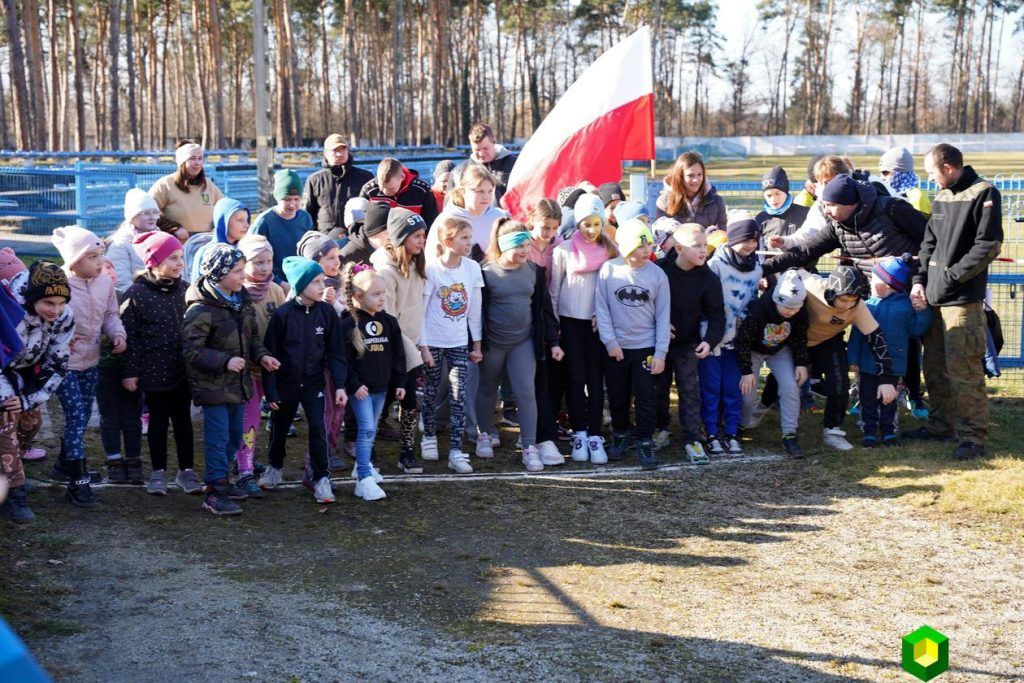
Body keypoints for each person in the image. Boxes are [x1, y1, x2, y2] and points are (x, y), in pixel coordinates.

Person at [906, 144, 1003, 460]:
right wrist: (919, 281)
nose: (930, 179)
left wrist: (950, 278)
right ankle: (940, 426)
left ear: (947, 167)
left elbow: (988, 245)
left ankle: (972, 436)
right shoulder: (941, 197)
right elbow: (927, 245)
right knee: (934, 367)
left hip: (961, 301)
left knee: (964, 370)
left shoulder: (984, 193)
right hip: (932, 299)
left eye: (932, 172)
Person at [183, 244, 279, 516]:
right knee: (218, 437)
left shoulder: (241, 300)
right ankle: (214, 491)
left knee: (235, 435)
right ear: (220, 273)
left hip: (239, 384)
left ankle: (223, 479)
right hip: (213, 387)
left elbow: (252, 338)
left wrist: (261, 356)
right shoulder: (201, 309)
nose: (242, 276)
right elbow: (191, 350)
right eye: (237, 271)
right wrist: (224, 361)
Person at [476, 219, 562, 471]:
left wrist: (553, 340)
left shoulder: (535, 270)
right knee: (488, 388)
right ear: (503, 246)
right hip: (494, 343)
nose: (525, 251)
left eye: (527, 244)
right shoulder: (486, 273)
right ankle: (485, 433)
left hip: (522, 342)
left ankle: (529, 445)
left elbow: (545, 309)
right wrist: (478, 344)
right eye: (520, 246)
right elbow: (478, 312)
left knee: (526, 391)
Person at [258, 257, 347, 504]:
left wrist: (339, 385)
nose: (322, 286)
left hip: (314, 384)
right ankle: (274, 467)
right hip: (286, 384)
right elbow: (270, 354)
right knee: (280, 427)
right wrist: (271, 391)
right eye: (316, 282)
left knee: (319, 428)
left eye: (322, 281)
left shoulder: (327, 313)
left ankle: (320, 478)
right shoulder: (282, 315)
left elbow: (336, 353)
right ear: (300, 285)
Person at [121, 231, 200, 495]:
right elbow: (130, 337)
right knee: (157, 422)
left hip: (182, 370)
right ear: (154, 262)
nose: (180, 263)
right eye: (173, 258)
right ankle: (158, 471)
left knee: (183, 421)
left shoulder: (186, 289)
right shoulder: (137, 294)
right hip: (154, 371)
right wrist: (131, 372)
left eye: (181, 257)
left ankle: (186, 470)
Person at [51, 227, 126, 507]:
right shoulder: (60, 284)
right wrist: (60, 341)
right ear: (74, 260)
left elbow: (110, 314)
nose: (99, 262)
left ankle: (64, 464)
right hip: (65, 364)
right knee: (75, 417)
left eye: (100, 255)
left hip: (91, 360)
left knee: (81, 416)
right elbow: (47, 317)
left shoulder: (104, 283)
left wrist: (118, 334)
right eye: (92, 256)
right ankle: (77, 483)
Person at [0, 262, 75, 522]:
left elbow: (58, 363)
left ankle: (10, 475)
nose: (55, 310)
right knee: (5, 426)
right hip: (2, 375)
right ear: (32, 299)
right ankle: (14, 495)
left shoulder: (64, 318)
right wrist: (7, 397)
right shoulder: (7, 312)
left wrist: (27, 398)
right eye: (48, 303)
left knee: (31, 423)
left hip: (27, 375)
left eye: (60, 302)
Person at [595, 219, 671, 470]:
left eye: (648, 244)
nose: (646, 249)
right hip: (616, 348)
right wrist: (610, 342)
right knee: (617, 394)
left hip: (646, 348)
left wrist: (660, 352)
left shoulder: (657, 274)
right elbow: (602, 309)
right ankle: (620, 433)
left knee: (646, 395)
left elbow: (663, 316)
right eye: (640, 245)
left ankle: (645, 439)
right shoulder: (609, 270)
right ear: (627, 247)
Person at [549, 194, 618, 464]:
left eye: (596, 224)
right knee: (576, 380)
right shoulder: (563, 251)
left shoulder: (611, 250)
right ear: (578, 223)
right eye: (586, 224)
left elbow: (613, 289)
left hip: (598, 324)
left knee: (595, 380)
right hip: (570, 323)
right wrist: (555, 327)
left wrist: (604, 316)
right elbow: (554, 291)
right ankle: (578, 432)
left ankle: (594, 433)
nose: (591, 230)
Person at [799, 267, 898, 450]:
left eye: (853, 300)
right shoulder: (812, 287)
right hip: (796, 341)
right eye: (844, 299)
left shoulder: (858, 308)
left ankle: (832, 430)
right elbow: (794, 271)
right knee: (782, 383)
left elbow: (878, 341)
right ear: (831, 292)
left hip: (828, 340)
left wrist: (885, 379)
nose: (847, 306)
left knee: (840, 383)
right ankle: (755, 414)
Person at [763, 174, 927, 278]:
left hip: (912, 289)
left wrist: (919, 279)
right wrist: (761, 270)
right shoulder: (837, 226)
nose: (826, 211)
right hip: (872, 295)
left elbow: (929, 241)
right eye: (824, 205)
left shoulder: (891, 209)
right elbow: (804, 252)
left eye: (831, 205)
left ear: (849, 203)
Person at [655, 223, 725, 463]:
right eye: (697, 246)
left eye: (705, 245)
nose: (703, 250)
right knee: (657, 388)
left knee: (689, 391)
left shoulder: (709, 278)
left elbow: (717, 315)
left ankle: (693, 439)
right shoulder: (658, 270)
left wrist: (709, 341)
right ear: (679, 248)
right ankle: (659, 430)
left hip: (689, 345)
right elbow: (644, 304)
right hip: (658, 344)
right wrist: (659, 324)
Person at [419, 216, 484, 474]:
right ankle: (429, 434)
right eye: (464, 238)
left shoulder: (472, 268)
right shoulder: (432, 269)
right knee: (432, 389)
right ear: (448, 241)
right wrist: (423, 347)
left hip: (459, 342)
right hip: (433, 341)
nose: (470, 243)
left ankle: (456, 450)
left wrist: (476, 344)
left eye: (470, 237)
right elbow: (422, 312)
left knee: (459, 393)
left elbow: (474, 310)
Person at [848, 255, 932, 447]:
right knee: (867, 398)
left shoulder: (906, 307)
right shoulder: (867, 305)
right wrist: (852, 357)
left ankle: (888, 431)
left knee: (889, 399)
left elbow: (917, 329)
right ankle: (869, 431)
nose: (870, 281)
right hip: (867, 364)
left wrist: (924, 311)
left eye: (874, 278)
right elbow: (856, 334)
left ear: (887, 284)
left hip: (893, 365)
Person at [370, 208, 430, 474]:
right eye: (416, 236)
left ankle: (407, 451)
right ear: (399, 238)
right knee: (381, 400)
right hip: (390, 348)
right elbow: (389, 319)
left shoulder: (417, 265)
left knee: (410, 403)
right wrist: (410, 352)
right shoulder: (386, 272)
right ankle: (366, 448)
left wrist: (423, 345)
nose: (421, 240)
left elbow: (418, 311)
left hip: (412, 347)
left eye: (423, 235)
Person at [339, 263, 405, 499]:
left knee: (373, 427)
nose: (381, 299)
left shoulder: (389, 321)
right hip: (361, 390)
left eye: (383, 293)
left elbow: (398, 354)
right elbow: (343, 360)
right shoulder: (347, 324)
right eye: (375, 294)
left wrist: (399, 382)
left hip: (382, 387)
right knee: (365, 428)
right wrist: (354, 384)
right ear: (358, 296)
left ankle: (361, 467)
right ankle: (364, 477)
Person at [701, 219, 763, 455]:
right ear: (734, 239)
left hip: (736, 342)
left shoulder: (756, 269)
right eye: (747, 240)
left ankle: (732, 432)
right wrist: (707, 336)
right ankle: (711, 432)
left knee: (732, 388)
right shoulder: (715, 265)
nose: (751, 245)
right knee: (711, 387)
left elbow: (751, 301)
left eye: (754, 240)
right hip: (711, 340)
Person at [232, 234, 286, 495]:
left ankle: (246, 459)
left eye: (268, 261)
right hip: (247, 371)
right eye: (258, 262)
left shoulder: (276, 290)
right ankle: (244, 467)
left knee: (269, 419)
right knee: (249, 420)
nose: (265, 268)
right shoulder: (236, 291)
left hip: (271, 369)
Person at [735, 269, 810, 458]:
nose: (791, 313)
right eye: (788, 309)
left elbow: (800, 337)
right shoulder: (758, 311)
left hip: (780, 351)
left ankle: (789, 434)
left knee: (791, 388)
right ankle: (741, 424)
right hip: (754, 350)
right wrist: (746, 371)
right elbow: (743, 341)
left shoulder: (799, 313)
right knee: (748, 394)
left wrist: (801, 363)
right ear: (777, 300)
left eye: (796, 309)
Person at [94, 257, 143, 485]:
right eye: (104, 268)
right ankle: (114, 460)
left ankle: (134, 460)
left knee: (132, 417)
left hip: (130, 369)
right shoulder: (92, 299)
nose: (109, 271)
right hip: (104, 369)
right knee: (110, 416)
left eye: (111, 265)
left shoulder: (127, 297)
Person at [525, 199, 568, 457]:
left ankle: (550, 424)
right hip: (527, 313)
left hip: (551, 314)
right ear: (532, 220)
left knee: (551, 374)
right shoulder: (523, 244)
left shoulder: (560, 247)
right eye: (544, 226)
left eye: (553, 227)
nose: (547, 232)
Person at [425, 164, 508, 262]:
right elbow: (433, 261)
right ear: (463, 191)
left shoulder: (500, 217)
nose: (486, 197)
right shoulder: (446, 221)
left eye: (490, 191)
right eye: (480, 191)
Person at [249, 170, 315, 285]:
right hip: (272, 281)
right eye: (287, 199)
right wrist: (278, 282)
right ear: (278, 198)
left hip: (301, 278)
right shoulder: (265, 222)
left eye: (296, 199)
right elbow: (253, 256)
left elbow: (310, 249)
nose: (292, 204)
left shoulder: (305, 218)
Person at [302, 133, 374, 235]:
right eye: (335, 150)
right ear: (325, 154)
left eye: (343, 149)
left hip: (357, 240)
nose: (340, 154)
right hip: (325, 241)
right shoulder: (314, 180)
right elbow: (307, 215)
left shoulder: (365, 177)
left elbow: (375, 210)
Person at [148, 140, 224, 235]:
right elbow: (148, 211)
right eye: (192, 159)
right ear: (182, 162)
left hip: (207, 241)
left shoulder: (208, 185)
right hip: (177, 244)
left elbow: (224, 208)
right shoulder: (165, 184)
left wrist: (216, 227)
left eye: (200, 158)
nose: (197, 163)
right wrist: (173, 227)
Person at [655, 151, 727, 230]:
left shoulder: (716, 201)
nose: (696, 180)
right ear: (680, 177)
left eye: (699, 174)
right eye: (690, 175)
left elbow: (722, 234)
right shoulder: (664, 201)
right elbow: (661, 236)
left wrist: (707, 237)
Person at [106, 188, 163, 288]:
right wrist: (139, 298)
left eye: (155, 213)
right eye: (146, 213)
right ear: (132, 216)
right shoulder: (120, 243)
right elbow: (121, 280)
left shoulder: (162, 237)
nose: (152, 217)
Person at [188, 196, 251, 283]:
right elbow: (197, 289)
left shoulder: (247, 248)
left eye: (247, 220)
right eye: (240, 220)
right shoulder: (207, 252)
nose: (246, 225)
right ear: (223, 222)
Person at [360, 157, 439, 227]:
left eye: (391, 188)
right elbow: (361, 222)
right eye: (382, 187)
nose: (385, 192)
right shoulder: (369, 190)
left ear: (402, 177)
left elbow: (431, 222)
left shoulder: (422, 190)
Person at [754, 166, 810, 244]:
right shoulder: (760, 219)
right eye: (769, 195)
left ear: (786, 192)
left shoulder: (806, 213)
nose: (773, 199)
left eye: (778, 194)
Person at [468, 123, 518, 202]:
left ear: (494, 142)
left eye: (485, 148)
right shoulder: (466, 170)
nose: (481, 154)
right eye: (477, 150)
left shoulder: (514, 164)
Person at [876, 147, 931, 216]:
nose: (882, 178)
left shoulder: (917, 196)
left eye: (885, 172)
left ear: (900, 172)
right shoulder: (886, 193)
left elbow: (922, 224)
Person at [339, 202, 391, 268]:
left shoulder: (395, 249)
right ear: (375, 231)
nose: (393, 234)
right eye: (388, 231)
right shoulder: (346, 256)